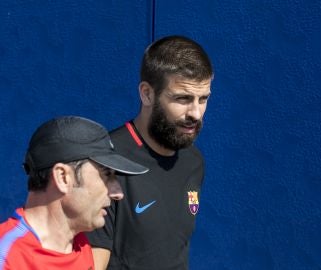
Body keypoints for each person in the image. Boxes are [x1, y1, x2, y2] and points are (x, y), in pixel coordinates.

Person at [87, 35, 214, 269]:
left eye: (203, 99)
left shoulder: (193, 160)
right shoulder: (104, 161)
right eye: (183, 98)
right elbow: (94, 263)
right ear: (147, 93)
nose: (196, 113)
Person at [0, 116, 148, 270]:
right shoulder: (7, 257)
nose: (118, 194)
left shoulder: (80, 245)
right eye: (106, 175)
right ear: (63, 177)